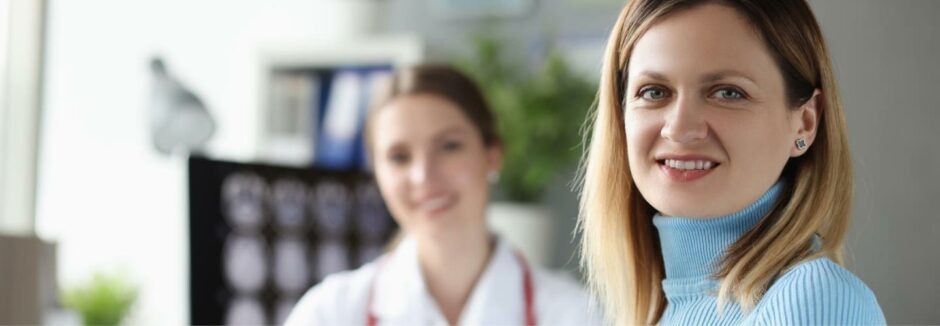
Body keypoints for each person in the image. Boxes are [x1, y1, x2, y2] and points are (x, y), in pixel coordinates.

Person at [576, 0, 886, 324]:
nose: (680, 129)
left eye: (728, 93)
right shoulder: (663, 311)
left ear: (805, 123)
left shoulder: (815, 301)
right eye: (654, 92)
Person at [285, 65, 599, 325]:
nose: (423, 175)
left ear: (492, 155)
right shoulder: (330, 312)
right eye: (398, 157)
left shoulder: (575, 315)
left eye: (449, 146)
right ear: (377, 174)